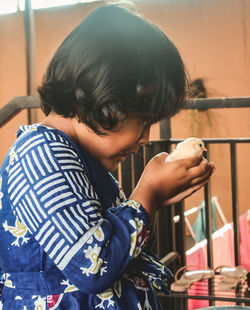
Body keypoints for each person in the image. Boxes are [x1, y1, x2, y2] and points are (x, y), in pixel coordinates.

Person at [0, 3, 215, 309]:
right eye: (142, 121)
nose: (145, 138)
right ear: (103, 100)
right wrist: (147, 195)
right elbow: (93, 265)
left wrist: (152, 203)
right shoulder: (39, 153)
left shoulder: (80, 158)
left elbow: (118, 251)